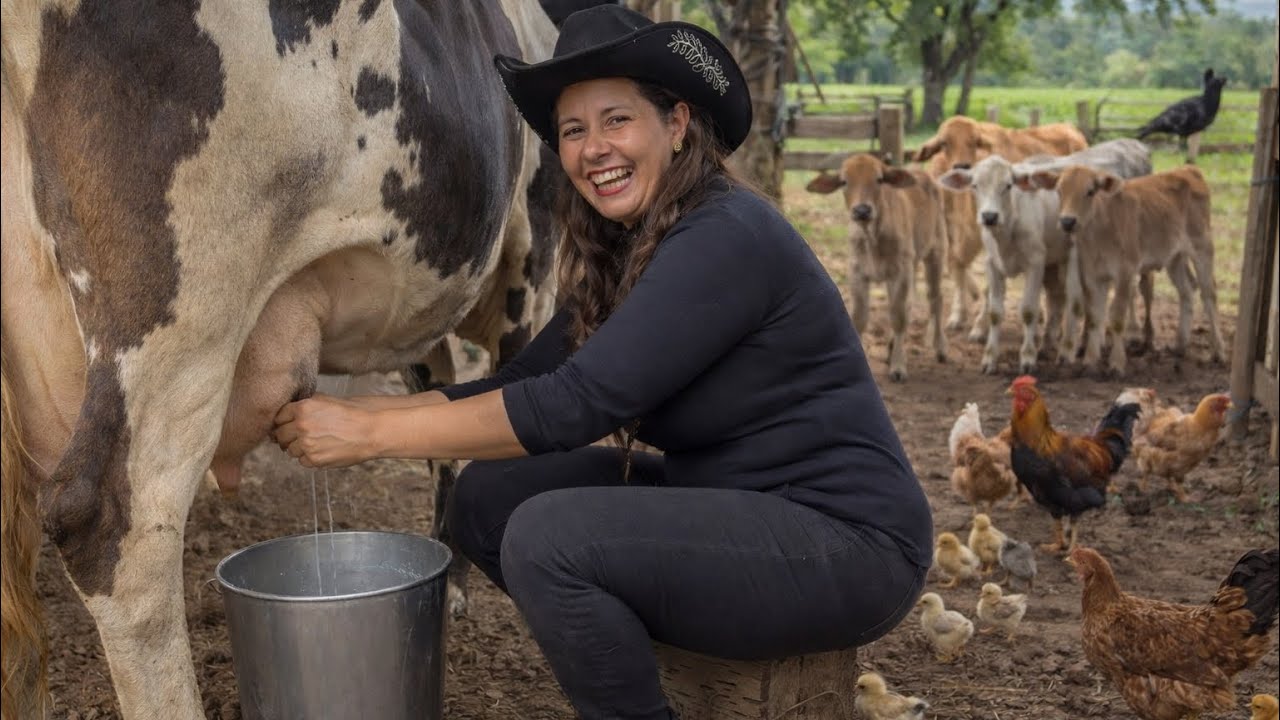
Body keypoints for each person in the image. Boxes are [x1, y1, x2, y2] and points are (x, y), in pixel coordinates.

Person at [272, 5, 932, 718]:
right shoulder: (635, 250)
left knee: (549, 541)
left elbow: (574, 405)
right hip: (732, 506)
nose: (593, 149)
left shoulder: (727, 236)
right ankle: (649, 656)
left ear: (677, 124)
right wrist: (361, 410)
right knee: (488, 499)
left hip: (847, 543)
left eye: (617, 120)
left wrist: (367, 438)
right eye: (573, 130)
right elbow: (526, 382)